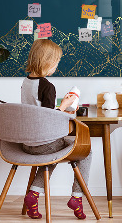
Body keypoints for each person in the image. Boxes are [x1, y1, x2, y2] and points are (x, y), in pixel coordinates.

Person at [21, 39, 91, 220]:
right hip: (44, 143)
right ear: (47, 62)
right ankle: (77, 197)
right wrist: (66, 105)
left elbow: (38, 111)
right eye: (56, 62)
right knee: (86, 151)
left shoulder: (26, 82)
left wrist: (60, 107)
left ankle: (33, 195)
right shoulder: (47, 86)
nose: (56, 66)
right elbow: (49, 118)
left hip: (27, 143)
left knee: (51, 154)